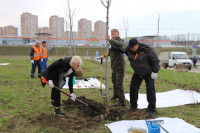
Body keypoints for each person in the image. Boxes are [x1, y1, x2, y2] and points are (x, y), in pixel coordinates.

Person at [125, 38, 160, 116]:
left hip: (149, 72)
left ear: (137, 45)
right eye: (130, 47)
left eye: (132, 47)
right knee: (133, 87)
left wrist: (155, 71)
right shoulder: (129, 49)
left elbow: (156, 60)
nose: (131, 49)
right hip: (137, 71)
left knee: (150, 90)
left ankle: (151, 109)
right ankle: (133, 106)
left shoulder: (146, 49)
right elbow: (121, 50)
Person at [105, 29, 126, 106]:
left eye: (114, 32)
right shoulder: (110, 42)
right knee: (114, 82)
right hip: (113, 66)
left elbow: (119, 45)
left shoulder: (121, 41)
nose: (113, 33)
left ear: (118, 33)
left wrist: (110, 40)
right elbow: (109, 53)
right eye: (111, 32)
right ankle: (115, 95)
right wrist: (104, 55)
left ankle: (122, 101)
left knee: (119, 84)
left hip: (120, 66)